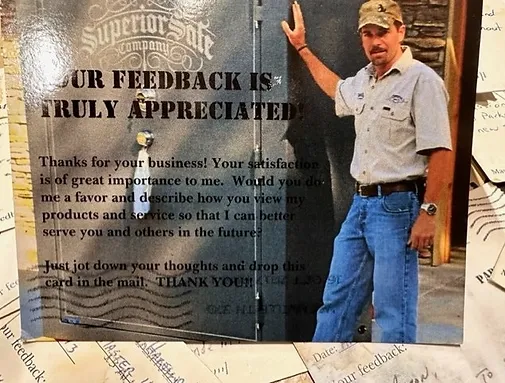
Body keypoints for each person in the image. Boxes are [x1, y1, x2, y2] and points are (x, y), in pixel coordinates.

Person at [281, 0, 453, 343]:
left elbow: (442, 153)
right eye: (368, 34)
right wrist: (302, 48)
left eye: (383, 32)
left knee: (392, 311)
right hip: (360, 207)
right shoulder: (365, 79)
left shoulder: (422, 81)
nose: (375, 41)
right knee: (336, 300)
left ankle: (396, 374)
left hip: (397, 208)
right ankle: (322, 369)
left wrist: (428, 213)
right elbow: (336, 89)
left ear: (400, 31)